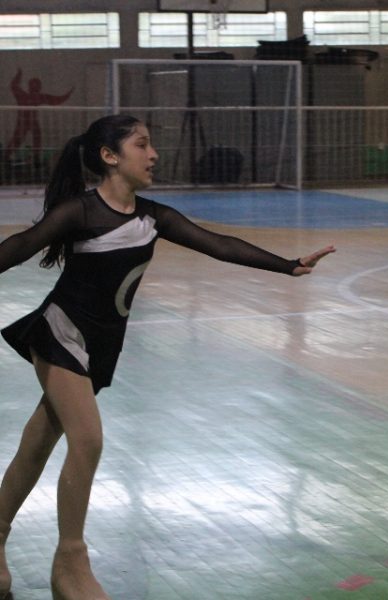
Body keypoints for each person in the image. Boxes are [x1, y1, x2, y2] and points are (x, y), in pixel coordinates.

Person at [0, 114, 335, 600]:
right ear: (109, 156)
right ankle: (70, 564)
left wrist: (288, 266)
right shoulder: (81, 211)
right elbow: (21, 246)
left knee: (37, 445)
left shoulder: (153, 218)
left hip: (102, 346)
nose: (153, 154)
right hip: (61, 334)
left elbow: (218, 245)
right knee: (88, 440)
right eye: (142, 145)